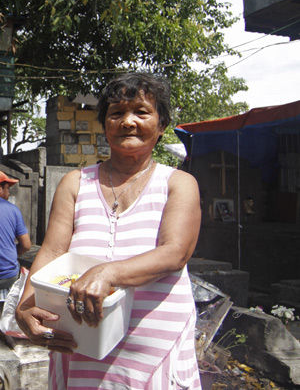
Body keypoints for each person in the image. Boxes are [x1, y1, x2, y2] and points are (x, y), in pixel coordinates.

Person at [15, 72, 202, 389]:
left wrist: (108, 273)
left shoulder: (178, 183)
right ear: (105, 125)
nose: (128, 121)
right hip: (78, 343)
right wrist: (25, 305)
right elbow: (53, 251)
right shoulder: (76, 182)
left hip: (152, 352)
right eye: (116, 113)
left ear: (162, 124)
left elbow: (176, 253)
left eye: (141, 112)